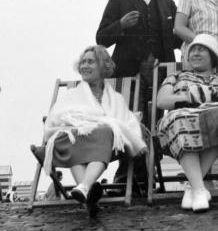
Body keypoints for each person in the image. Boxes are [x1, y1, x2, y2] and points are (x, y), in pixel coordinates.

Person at [96, 0, 180, 187]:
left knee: (155, 123)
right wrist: (121, 24)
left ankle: (149, 177)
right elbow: (101, 37)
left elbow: (177, 40)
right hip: (127, 74)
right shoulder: (118, 0)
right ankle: (125, 179)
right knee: (127, 121)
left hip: (160, 74)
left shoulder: (168, 5)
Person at [41, 45, 146, 216]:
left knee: (104, 131)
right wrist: (83, 122)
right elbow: (58, 117)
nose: (84, 66)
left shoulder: (116, 99)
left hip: (103, 143)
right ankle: (86, 188)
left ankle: (84, 189)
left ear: (103, 66)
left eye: (90, 62)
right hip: (72, 139)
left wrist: (102, 122)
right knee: (77, 137)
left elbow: (124, 122)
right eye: (82, 63)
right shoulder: (72, 95)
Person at [156, 34, 218, 212]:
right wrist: (191, 97)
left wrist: (211, 103)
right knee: (182, 119)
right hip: (179, 121)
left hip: (217, 118)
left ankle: (193, 188)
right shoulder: (176, 77)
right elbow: (162, 101)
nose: (195, 53)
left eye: (201, 49)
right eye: (192, 50)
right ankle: (199, 189)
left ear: (213, 56)